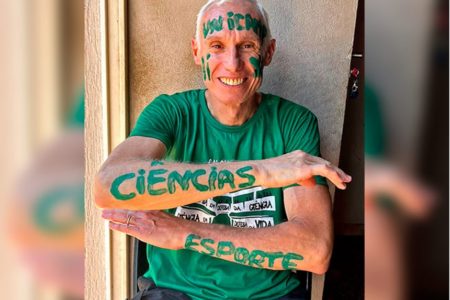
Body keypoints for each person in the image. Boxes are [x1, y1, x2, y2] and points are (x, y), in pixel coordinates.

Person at [95, 0, 351, 299]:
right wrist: (260, 171)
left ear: (267, 52)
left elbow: (316, 252)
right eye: (216, 45)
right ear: (196, 51)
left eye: (247, 46)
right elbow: (108, 185)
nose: (232, 63)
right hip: (174, 292)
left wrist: (185, 234)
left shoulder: (293, 122)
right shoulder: (171, 112)